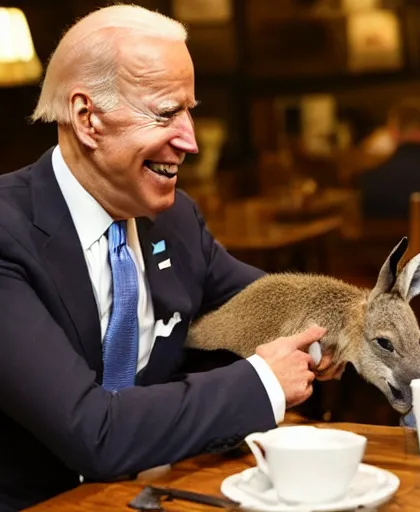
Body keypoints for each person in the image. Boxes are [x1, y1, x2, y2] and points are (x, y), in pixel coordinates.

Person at [0, 5, 339, 510]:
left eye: (190, 110)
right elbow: (95, 432)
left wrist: (349, 334)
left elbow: (276, 307)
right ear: (87, 117)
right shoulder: (6, 232)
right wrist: (263, 380)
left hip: (165, 491)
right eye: (165, 113)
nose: (191, 140)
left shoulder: (177, 219)